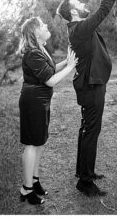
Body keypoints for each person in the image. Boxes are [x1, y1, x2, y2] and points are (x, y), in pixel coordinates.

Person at [57, 0, 117, 199]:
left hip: (91, 84)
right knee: (90, 131)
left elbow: (98, 10)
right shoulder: (78, 29)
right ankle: (85, 182)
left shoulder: (79, 27)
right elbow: (102, 12)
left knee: (86, 129)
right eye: (78, 3)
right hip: (91, 86)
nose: (82, 3)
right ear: (74, 11)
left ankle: (83, 171)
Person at [17, 17, 78, 207]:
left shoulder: (40, 49)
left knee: (40, 142)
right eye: (43, 25)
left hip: (41, 101)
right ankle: (26, 190)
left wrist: (66, 61)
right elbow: (50, 80)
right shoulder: (32, 54)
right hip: (32, 102)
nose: (47, 26)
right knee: (31, 144)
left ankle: (34, 180)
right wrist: (70, 67)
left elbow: (49, 70)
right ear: (36, 32)